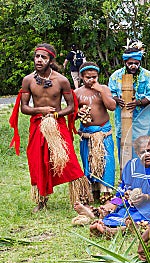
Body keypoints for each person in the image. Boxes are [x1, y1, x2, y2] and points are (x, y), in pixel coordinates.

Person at [9, 43, 91, 212]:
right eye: (37, 56)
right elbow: (24, 108)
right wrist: (40, 110)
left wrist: (56, 115)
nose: (39, 60)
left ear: (51, 60)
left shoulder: (61, 80)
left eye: (43, 57)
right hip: (38, 125)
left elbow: (71, 106)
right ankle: (41, 200)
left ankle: (81, 197)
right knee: (38, 161)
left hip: (57, 125)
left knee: (69, 160)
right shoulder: (28, 80)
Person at [72, 136, 150, 237]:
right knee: (121, 214)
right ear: (137, 153)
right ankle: (103, 221)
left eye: (149, 151)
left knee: (142, 218)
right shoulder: (132, 166)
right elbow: (122, 190)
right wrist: (124, 196)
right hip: (132, 206)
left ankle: (114, 230)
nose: (147, 155)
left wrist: (146, 197)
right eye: (142, 152)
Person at [108, 41, 150, 161]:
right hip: (122, 116)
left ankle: (140, 173)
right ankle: (124, 175)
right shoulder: (116, 76)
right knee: (124, 144)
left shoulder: (147, 75)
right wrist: (116, 99)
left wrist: (138, 102)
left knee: (141, 145)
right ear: (125, 62)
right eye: (130, 63)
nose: (133, 66)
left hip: (142, 119)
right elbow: (110, 93)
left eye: (136, 63)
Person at [74, 62, 117, 201]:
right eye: (88, 77)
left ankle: (106, 192)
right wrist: (79, 113)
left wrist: (101, 91)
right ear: (81, 77)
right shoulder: (77, 92)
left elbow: (111, 106)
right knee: (89, 161)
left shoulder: (104, 88)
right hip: (88, 134)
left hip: (103, 133)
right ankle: (94, 191)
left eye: (94, 76)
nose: (92, 80)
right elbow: (72, 115)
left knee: (107, 162)